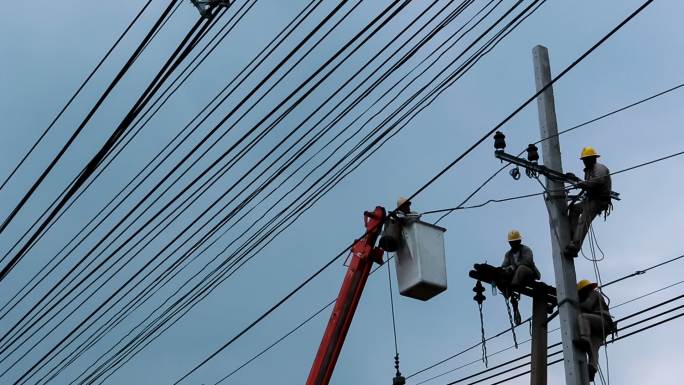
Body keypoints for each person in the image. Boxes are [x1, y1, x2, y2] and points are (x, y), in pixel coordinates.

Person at [566, 147, 612, 257]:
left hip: (598, 201)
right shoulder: (589, 170)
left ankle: (575, 247)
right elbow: (588, 184)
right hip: (590, 199)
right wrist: (576, 179)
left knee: (583, 221)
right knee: (574, 209)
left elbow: (597, 181)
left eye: (586, 159)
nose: (584, 162)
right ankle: (573, 235)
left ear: (593, 158)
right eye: (584, 160)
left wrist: (581, 184)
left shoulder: (599, 168)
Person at [499, 230, 541, 325]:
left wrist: (513, 267)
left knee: (521, 268)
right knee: (501, 275)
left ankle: (514, 286)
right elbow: (503, 266)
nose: (512, 244)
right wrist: (504, 270)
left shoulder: (526, 250)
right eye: (511, 242)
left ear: (519, 241)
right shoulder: (508, 254)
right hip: (516, 275)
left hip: (528, 273)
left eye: (514, 242)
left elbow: (527, 262)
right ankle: (507, 292)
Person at [576, 279, 614, 382]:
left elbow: (588, 305)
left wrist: (573, 303)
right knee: (593, 350)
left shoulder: (593, 293)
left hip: (602, 321)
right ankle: (592, 369)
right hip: (601, 328)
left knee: (583, 317)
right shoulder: (592, 294)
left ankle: (584, 338)